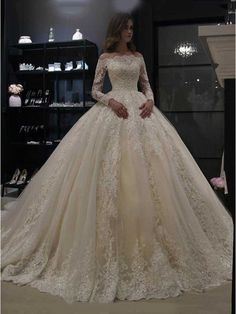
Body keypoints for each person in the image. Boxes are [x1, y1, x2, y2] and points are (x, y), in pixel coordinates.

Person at [1, 12, 233, 304]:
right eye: (127, 27)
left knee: (154, 174)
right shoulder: (106, 57)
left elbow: (147, 84)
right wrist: (111, 101)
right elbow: (95, 90)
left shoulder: (138, 56)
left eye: (133, 28)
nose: (130, 31)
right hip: (113, 111)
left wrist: (149, 100)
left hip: (140, 111)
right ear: (117, 30)